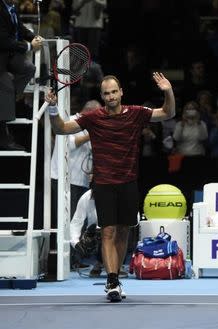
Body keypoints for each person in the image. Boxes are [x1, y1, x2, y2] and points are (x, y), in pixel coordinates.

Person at [44, 72, 175, 302]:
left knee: (123, 231)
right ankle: (112, 280)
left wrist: (168, 91)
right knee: (107, 231)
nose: (111, 96)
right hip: (103, 183)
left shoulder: (136, 114)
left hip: (128, 181)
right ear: (102, 96)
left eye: (114, 91)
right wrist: (53, 108)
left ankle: (115, 276)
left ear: (121, 92)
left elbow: (168, 113)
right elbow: (62, 129)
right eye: (106, 93)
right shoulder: (93, 117)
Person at [0, 0, 43, 150]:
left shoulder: (12, 7)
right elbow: (3, 40)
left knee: (29, 68)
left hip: (8, 54)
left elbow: (20, 27)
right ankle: (4, 140)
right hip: (2, 52)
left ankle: (8, 101)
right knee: (5, 84)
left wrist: (33, 37)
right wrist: (29, 46)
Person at [70, 188, 128, 279]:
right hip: (96, 231)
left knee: (122, 230)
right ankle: (99, 263)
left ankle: (118, 265)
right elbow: (77, 221)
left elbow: (134, 218)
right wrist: (75, 243)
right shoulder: (86, 197)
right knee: (95, 234)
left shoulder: (121, 194)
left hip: (117, 229)